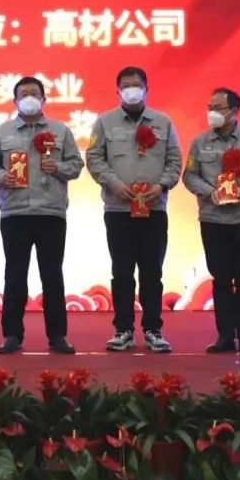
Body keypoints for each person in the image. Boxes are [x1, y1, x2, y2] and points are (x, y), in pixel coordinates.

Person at [0, 76, 82, 355]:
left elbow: (76, 165)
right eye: (23, 94)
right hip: (15, 212)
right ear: (14, 101)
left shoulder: (60, 130)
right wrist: (2, 177)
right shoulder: (2, 132)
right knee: (15, 276)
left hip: (51, 212)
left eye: (34, 93)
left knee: (52, 276)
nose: (29, 98)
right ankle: (12, 335)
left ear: (43, 99)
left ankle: (58, 335)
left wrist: (57, 167)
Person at [86, 66, 182, 353]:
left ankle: (153, 329)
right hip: (118, 209)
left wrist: (161, 186)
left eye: (136, 85)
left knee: (152, 271)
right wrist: (114, 184)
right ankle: (123, 330)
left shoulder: (163, 122)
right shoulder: (105, 122)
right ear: (117, 91)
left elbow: (175, 161)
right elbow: (94, 158)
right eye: (126, 86)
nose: (132, 90)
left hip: (154, 209)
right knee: (122, 272)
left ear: (146, 89)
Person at [182, 88, 240, 355]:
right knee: (220, 278)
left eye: (218, 108)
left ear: (234, 112)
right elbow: (189, 176)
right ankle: (224, 336)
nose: (212, 112)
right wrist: (209, 192)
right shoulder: (200, 142)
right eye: (209, 107)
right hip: (213, 219)